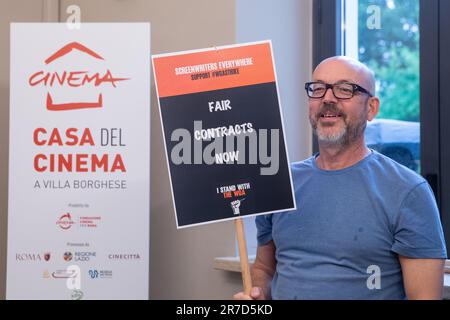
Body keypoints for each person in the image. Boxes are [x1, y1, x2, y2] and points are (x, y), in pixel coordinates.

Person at [234, 56, 447, 300]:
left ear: (371, 108)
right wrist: (259, 294)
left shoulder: (408, 191)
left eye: (345, 89)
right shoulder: (279, 183)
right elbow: (265, 268)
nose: (327, 98)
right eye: (318, 89)